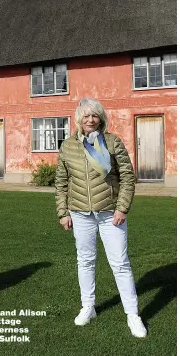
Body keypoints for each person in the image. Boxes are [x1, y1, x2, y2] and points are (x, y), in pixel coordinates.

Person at [55, 98, 147, 338]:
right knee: (85, 261)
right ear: (78, 119)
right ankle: (88, 307)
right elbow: (61, 183)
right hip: (80, 213)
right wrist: (63, 212)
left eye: (95, 115)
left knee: (120, 263)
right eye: (86, 116)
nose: (90, 120)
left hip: (110, 214)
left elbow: (127, 177)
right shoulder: (68, 146)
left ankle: (133, 314)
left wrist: (122, 208)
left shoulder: (113, 142)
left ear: (101, 118)